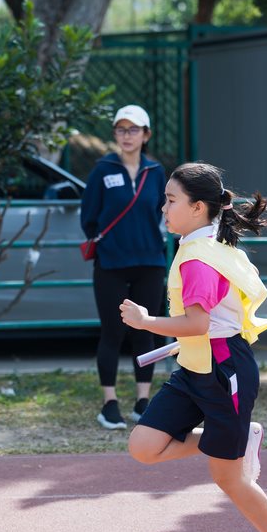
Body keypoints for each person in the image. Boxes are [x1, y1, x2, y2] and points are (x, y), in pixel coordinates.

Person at [119, 162, 267, 532]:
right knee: (144, 446)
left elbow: (198, 324)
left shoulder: (200, 258)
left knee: (227, 476)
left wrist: (146, 322)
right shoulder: (200, 246)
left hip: (223, 370)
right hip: (195, 365)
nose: (163, 208)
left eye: (171, 200)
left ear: (198, 207)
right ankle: (241, 436)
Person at [80, 104, 168, 429]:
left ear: (146, 134)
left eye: (133, 130)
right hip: (111, 263)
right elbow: (88, 217)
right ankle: (109, 403)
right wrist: (111, 242)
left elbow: (164, 212)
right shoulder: (102, 170)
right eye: (121, 129)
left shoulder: (155, 171)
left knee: (145, 330)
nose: (127, 135)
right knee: (112, 331)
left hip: (150, 261)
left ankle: (143, 401)